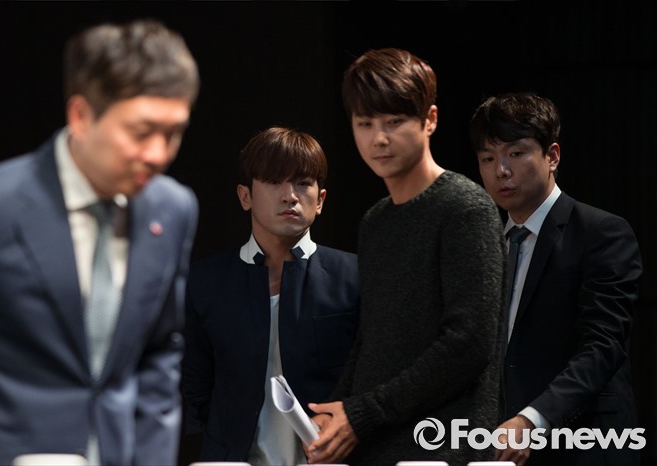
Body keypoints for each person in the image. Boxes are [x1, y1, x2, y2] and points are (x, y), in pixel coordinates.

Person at [0, 19, 200, 466]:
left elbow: (161, 349)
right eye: (141, 132)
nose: (158, 154)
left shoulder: (173, 208)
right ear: (81, 116)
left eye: (173, 134)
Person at [306, 48, 506, 465]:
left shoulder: (465, 208)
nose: (378, 138)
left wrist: (361, 413)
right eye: (364, 123)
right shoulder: (375, 221)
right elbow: (372, 340)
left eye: (394, 122)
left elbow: (468, 343)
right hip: (376, 443)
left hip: (443, 447)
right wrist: (335, 412)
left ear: (429, 119)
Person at [469, 91, 643, 466]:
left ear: (552, 156)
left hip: (585, 444)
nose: (501, 170)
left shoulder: (601, 232)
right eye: (488, 158)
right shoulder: (484, 245)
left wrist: (533, 419)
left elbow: (603, 346)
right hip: (500, 446)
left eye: (516, 153)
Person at [181, 126, 360, 465]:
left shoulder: (354, 276)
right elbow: (194, 388)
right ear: (245, 196)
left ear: (321, 200)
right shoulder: (204, 281)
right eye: (275, 181)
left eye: (303, 183)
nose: (290, 195)